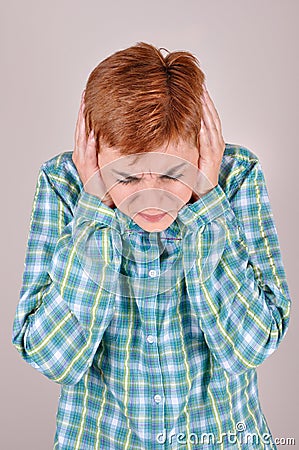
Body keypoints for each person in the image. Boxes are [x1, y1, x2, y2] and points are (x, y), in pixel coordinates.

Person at [12, 42, 291, 450]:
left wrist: (209, 207)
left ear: (201, 148)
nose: (152, 198)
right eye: (126, 178)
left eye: (173, 174)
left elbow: (251, 346)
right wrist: (94, 213)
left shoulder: (236, 179)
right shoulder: (65, 186)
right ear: (93, 152)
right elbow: (54, 359)